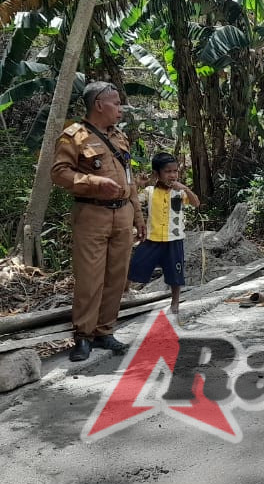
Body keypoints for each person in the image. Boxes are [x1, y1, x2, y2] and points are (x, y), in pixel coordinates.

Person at [51, 82, 145, 361]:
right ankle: (83, 336)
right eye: (115, 103)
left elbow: (129, 180)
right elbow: (59, 173)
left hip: (123, 214)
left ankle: (105, 331)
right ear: (99, 105)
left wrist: (138, 217)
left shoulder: (119, 137)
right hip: (92, 214)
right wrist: (94, 182)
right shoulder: (74, 136)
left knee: (117, 277)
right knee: (90, 278)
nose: (120, 108)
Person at [128, 152, 200, 315]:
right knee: (136, 265)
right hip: (152, 238)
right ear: (156, 174)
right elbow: (133, 202)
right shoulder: (150, 191)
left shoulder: (180, 193)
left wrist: (185, 188)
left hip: (174, 239)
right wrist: (137, 185)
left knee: (175, 272)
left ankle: (175, 303)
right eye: (168, 171)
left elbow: (196, 203)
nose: (172, 175)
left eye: (175, 171)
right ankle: (125, 292)